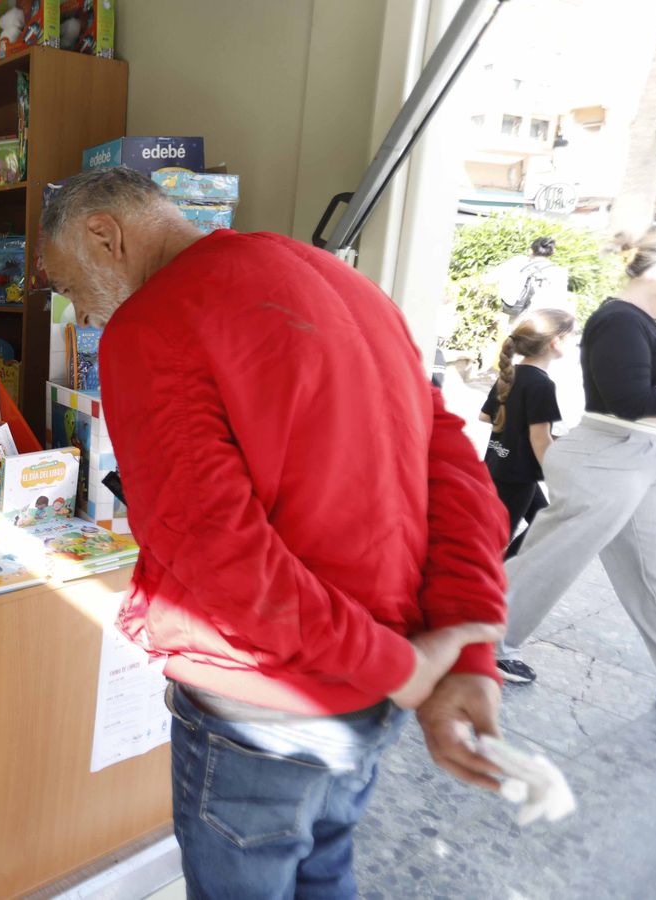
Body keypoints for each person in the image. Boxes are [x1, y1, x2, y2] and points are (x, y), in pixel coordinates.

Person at [39, 167, 507, 899]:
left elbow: (220, 565)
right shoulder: (345, 283)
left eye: (69, 287)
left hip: (265, 704)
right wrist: (464, 651)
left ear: (107, 235)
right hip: (370, 694)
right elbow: (455, 473)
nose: (84, 316)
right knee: (326, 877)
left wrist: (398, 666)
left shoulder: (152, 324)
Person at [496, 230, 656, 691]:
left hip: (640, 457)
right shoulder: (620, 320)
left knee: (653, 573)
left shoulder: (646, 320)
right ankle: (485, 643)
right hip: (613, 454)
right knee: (549, 559)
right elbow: (628, 398)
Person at [479, 308, 576, 558]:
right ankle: (498, 573)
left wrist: (513, 428)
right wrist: (559, 477)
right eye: (572, 335)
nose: (575, 341)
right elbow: (539, 438)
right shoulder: (542, 384)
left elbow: (485, 416)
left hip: (496, 467)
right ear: (555, 342)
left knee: (543, 523)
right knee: (498, 540)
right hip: (518, 478)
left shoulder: (510, 375)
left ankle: (499, 571)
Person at [491, 235, 569, 321]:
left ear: (530, 251)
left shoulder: (517, 261)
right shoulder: (558, 272)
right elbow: (560, 302)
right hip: (535, 319)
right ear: (552, 253)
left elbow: (491, 278)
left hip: (508, 311)